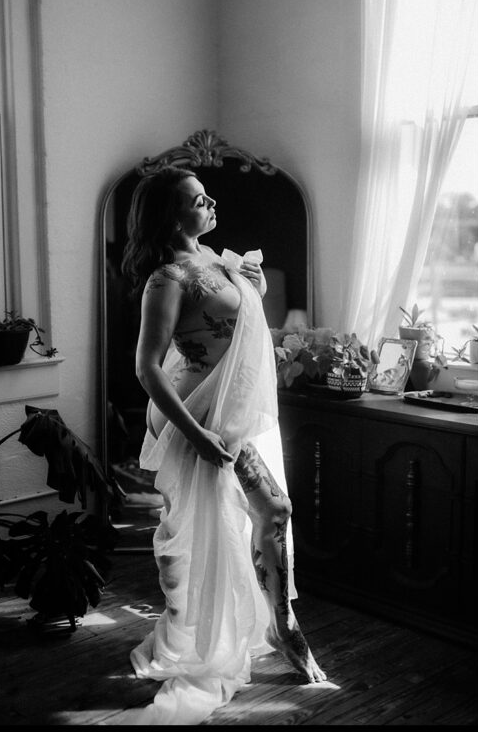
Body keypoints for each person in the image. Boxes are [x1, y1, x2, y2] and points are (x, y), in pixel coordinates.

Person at [121, 166, 327, 724]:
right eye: (196, 199)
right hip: (199, 416)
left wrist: (250, 291)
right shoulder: (166, 280)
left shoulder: (217, 258)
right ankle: (284, 631)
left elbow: (242, 332)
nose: (210, 202)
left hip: (235, 411)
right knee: (270, 510)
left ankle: (277, 627)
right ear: (171, 215)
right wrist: (198, 434)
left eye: (206, 195)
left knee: (262, 515)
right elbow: (146, 367)